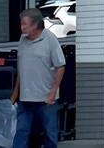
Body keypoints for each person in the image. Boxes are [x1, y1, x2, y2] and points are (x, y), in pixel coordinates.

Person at [11, 8, 65, 148]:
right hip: (25, 97)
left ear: (35, 25)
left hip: (45, 98)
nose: (22, 27)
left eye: (25, 24)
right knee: (21, 131)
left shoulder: (50, 39)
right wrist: (15, 94)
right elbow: (22, 68)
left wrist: (53, 92)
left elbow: (60, 66)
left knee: (49, 133)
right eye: (21, 24)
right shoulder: (22, 40)